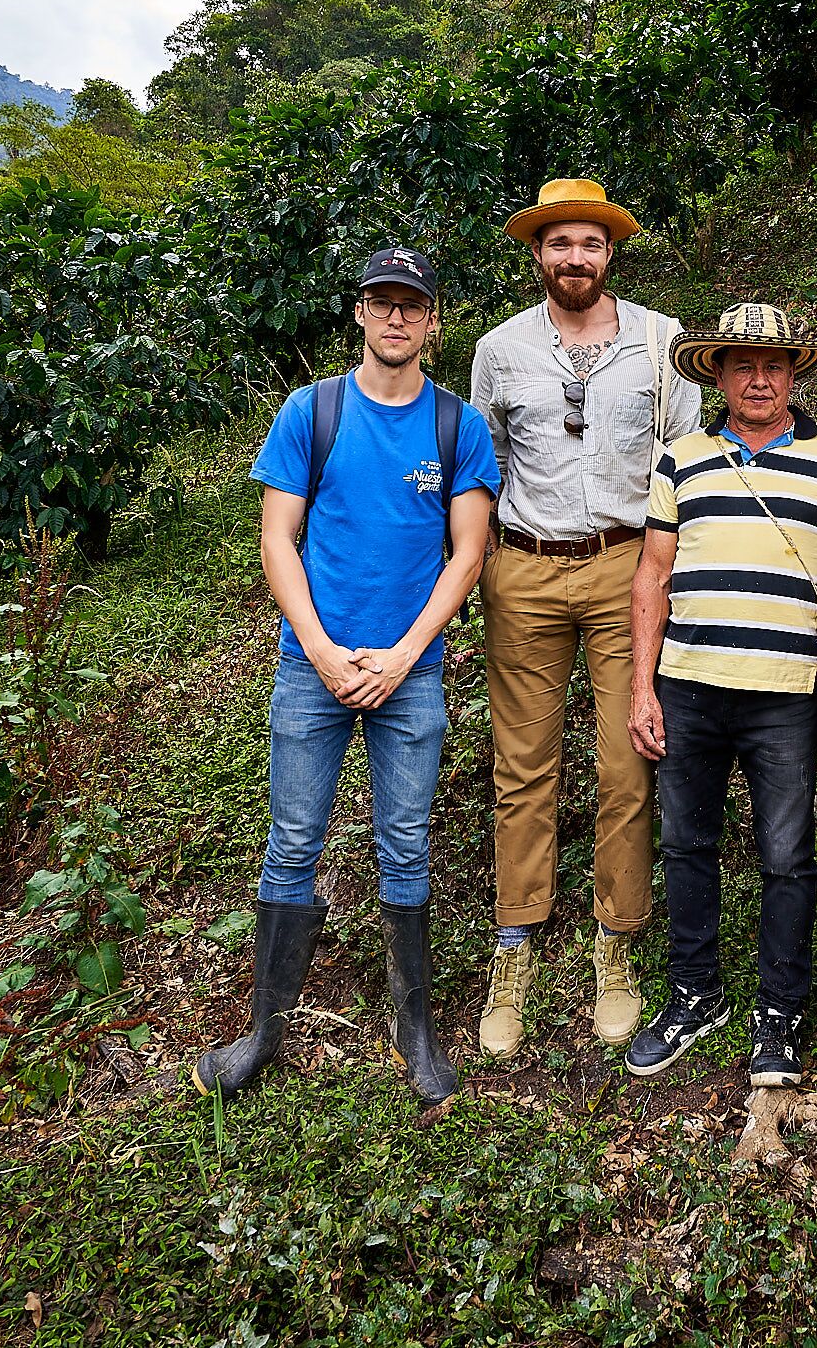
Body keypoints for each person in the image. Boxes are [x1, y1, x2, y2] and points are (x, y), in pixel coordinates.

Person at [193, 246, 499, 1106]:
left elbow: (467, 555)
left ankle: (418, 1033)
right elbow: (276, 541)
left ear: (434, 322)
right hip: (309, 670)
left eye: (413, 305)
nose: (396, 318)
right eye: (382, 302)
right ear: (359, 313)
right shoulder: (311, 411)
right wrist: (324, 651)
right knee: (291, 844)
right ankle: (264, 1031)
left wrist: (403, 655)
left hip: (413, 670)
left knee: (404, 845)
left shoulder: (456, 425)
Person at [468, 179, 703, 1058]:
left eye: (591, 244)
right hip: (523, 566)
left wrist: (669, 569)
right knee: (522, 767)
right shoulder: (498, 350)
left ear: (612, 253)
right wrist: (479, 561)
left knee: (625, 760)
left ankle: (618, 941)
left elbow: (681, 464)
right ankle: (515, 944)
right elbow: (480, 465)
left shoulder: (660, 340)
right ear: (538, 252)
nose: (576, 258)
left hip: (625, 565)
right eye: (560, 243)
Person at [625, 305, 817, 1084]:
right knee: (686, 848)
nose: (759, 378)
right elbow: (653, 574)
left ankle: (780, 1013)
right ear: (719, 374)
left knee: (787, 857)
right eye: (742, 365)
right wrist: (643, 688)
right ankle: (695, 995)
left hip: (786, 694)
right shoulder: (680, 458)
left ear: (794, 373)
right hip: (690, 686)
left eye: (773, 365)